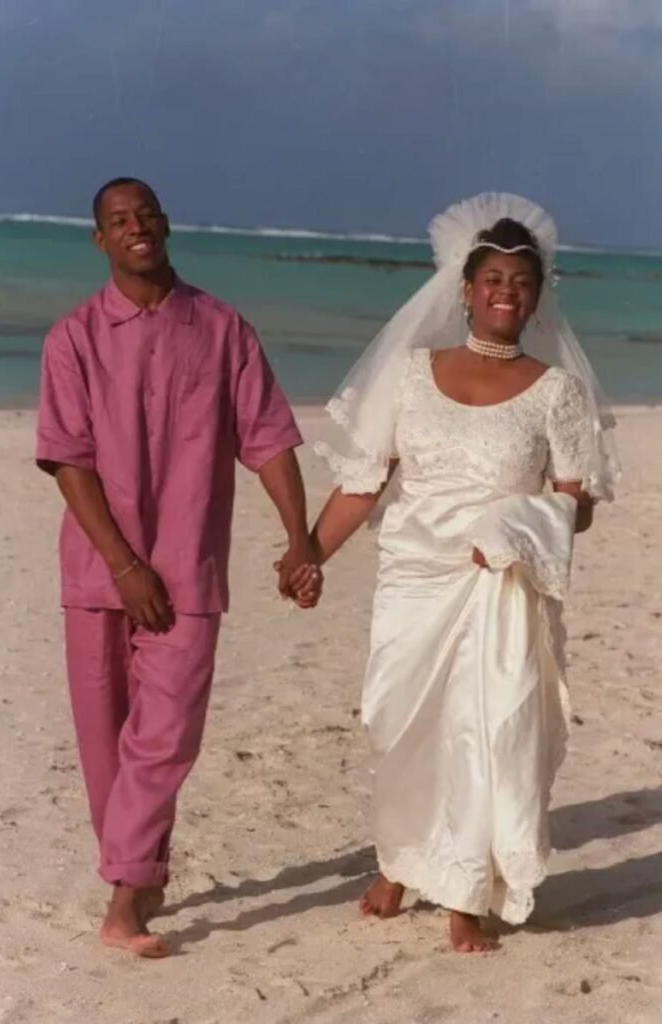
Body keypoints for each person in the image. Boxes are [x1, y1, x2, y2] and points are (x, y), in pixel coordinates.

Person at [279, 193, 619, 952]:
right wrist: (308, 555)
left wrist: (519, 525)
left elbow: (577, 503)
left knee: (484, 730)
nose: (507, 291)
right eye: (493, 278)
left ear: (538, 298)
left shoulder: (557, 391)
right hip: (414, 577)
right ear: (465, 289)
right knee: (400, 725)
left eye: (522, 282)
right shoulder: (409, 374)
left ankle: (464, 891)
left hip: (500, 582)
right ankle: (399, 861)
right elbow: (363, 483)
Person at [36, 177, 321, 957]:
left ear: (165, 224)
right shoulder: (72, 339)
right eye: (118, 220)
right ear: (99, 239)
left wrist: (299, 540)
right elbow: (69, 463)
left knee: (165, 739)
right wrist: (125, 566)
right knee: (106, 746)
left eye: (146, 214)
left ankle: (125, 903)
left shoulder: (223, 329)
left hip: (191, 570)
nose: (136, 227)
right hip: (98, 572)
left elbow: (268, 439)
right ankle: (139, 868)